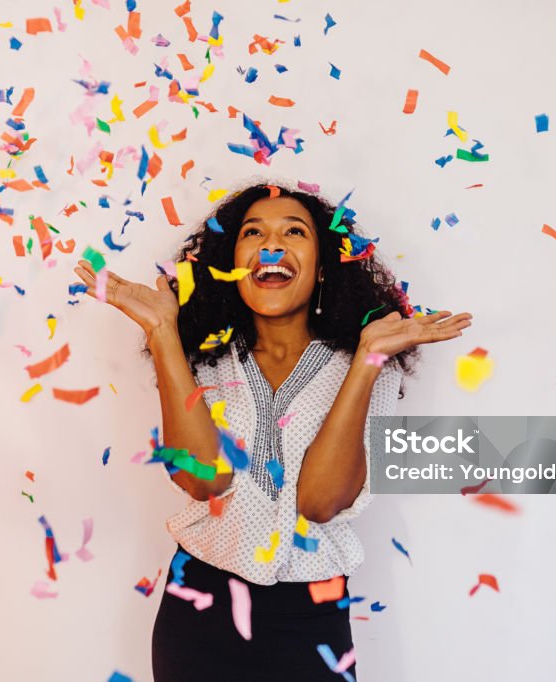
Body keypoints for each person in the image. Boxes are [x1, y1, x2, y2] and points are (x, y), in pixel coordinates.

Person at [74, 182, 472, 680]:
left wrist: (368, 361)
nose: (271, 245)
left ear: (324, 265)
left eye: (294, 231)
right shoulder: (203, 356)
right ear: (233, 262)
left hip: (311, 621)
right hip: (198, 615)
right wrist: (163, 335)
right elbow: (203, 480)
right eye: (253, 232)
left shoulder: (371, 362)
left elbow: (320, 502)